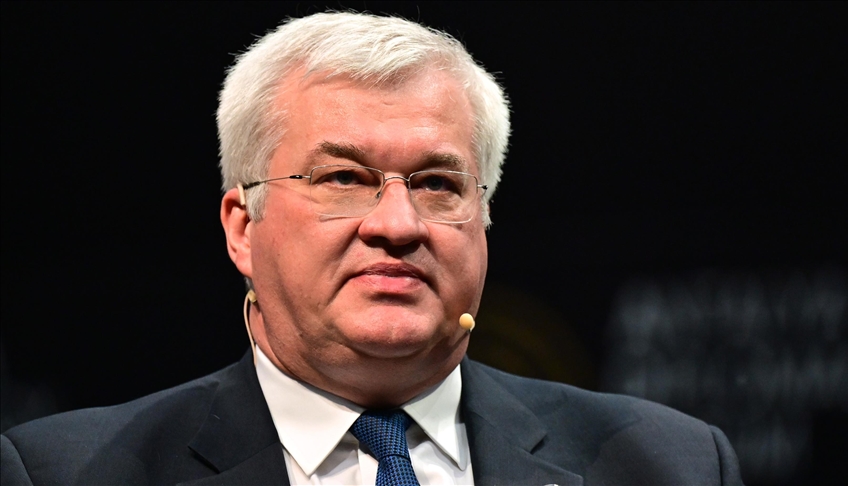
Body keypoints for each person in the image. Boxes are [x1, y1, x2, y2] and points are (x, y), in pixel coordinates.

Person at [0, 12, 743, 485]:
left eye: (438, 184)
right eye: (344, 178)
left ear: (484, 218)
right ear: (242, 227)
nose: (397, 223)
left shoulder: (670, 466)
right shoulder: (66, 473)